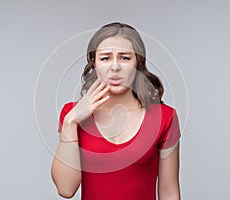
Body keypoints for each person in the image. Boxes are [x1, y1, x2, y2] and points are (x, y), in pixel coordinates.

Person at [51, 22, 181, 200]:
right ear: (94, 63)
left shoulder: (165, 117)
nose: (115, 67)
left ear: (138, 64)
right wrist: (71, 121)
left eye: (125, 58)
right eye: (105, 58)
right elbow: (65, 189)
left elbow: (169, 192)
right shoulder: (71, 114)